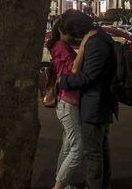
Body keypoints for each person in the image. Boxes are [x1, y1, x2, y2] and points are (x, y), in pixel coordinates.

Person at [58, 13, 118, 189]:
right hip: (100, 101)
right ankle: (102, 183)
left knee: (92, 152)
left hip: (95, 103)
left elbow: (89, 76)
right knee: (100, 146)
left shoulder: (95, 42)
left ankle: (94, 185)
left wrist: (64, 82)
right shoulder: (99, 36)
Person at [47, 10, 96, 189]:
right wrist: (83, 47)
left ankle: (62, 183)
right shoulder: (60, 46)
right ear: (65, 31)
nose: (78, 37)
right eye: (76, 34)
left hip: (68, 101)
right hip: (67, 102)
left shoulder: (60, 44)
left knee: (68, 146)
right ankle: (58, 187)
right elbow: (74, 70)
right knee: (77, 149)